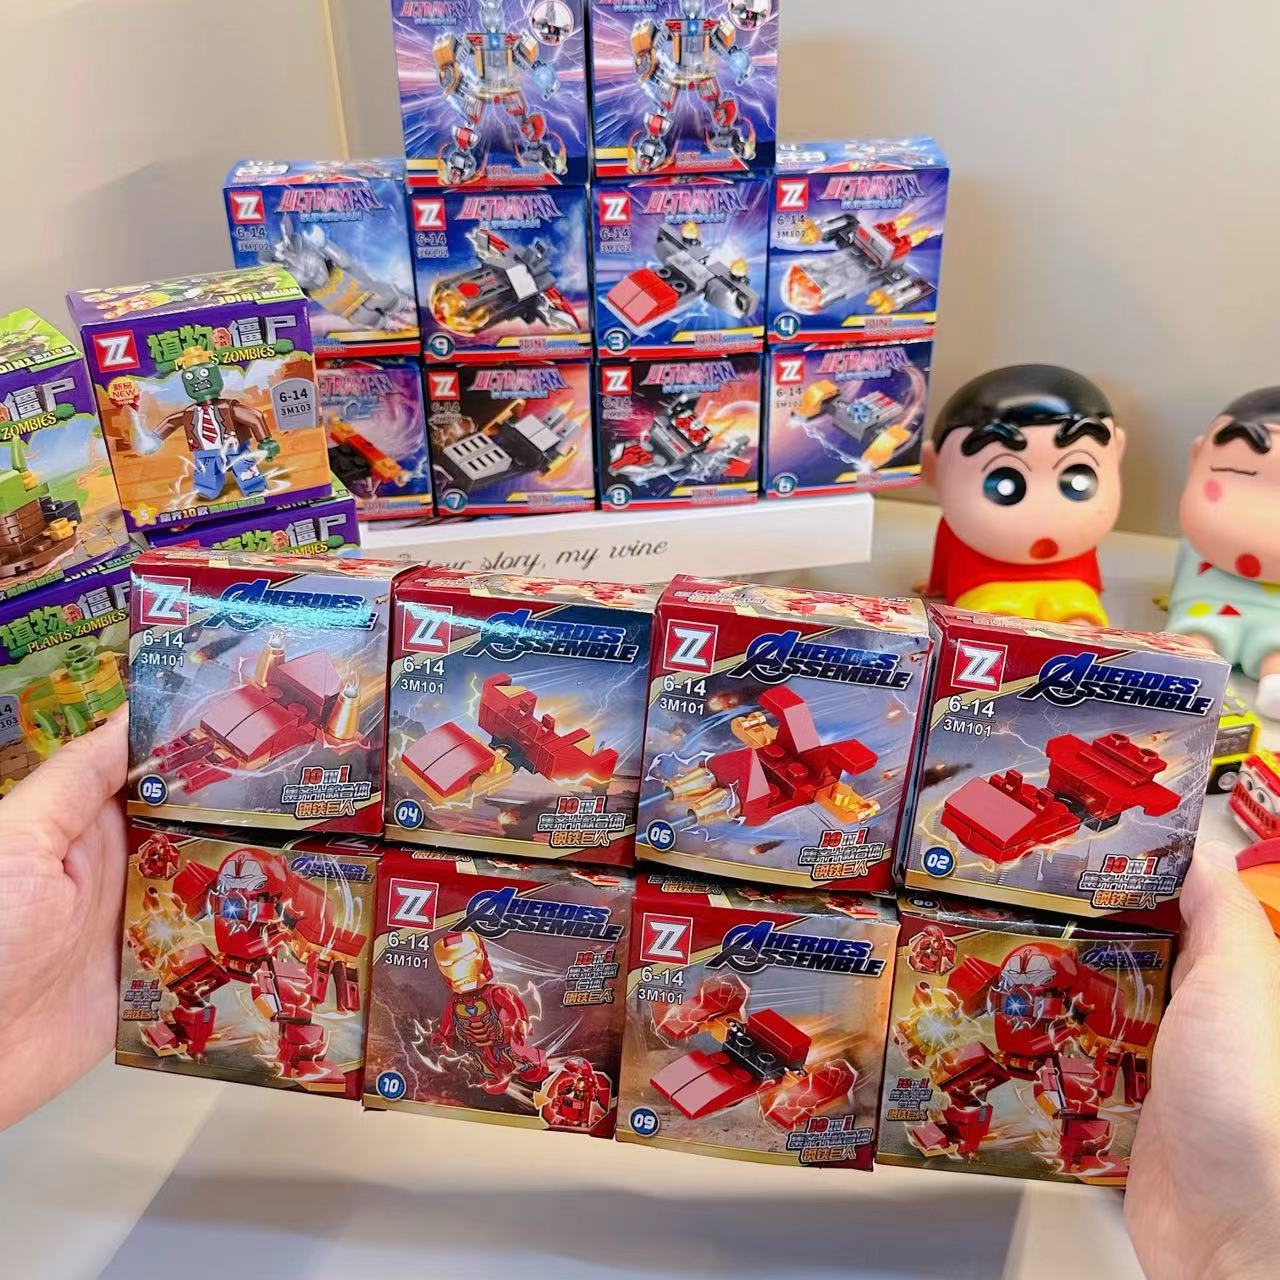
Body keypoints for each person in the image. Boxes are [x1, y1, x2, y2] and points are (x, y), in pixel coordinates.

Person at [0, 716, 1279, 1279]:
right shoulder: (272, 896)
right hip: (434, 963)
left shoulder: (1031, 952)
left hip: (883, 994)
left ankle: (948, 1102)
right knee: (258, 978)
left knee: (1002, 1074)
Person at [921, 364, 1125, 625]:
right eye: (1002, 483)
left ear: (1115, 455)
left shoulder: (1080, 543)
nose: (1046, 509)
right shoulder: (955, 531)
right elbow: (945, 558)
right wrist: (937, 585)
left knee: (1079, 619)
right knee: (991, 623)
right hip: (984, 585)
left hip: (1070, 586)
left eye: (1078, 478)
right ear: (934, 470)